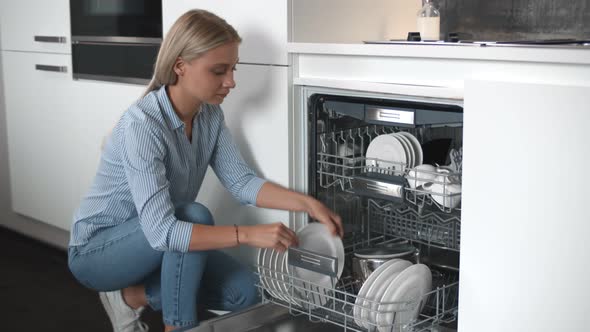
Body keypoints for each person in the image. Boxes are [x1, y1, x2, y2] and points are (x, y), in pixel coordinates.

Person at [67, 9, 343, 332]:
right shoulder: (143, 126)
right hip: (96, 254)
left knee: (245, 292)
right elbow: (162, 231)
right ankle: (178, 326)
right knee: (192, 216)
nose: (231, 81)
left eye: (233, 69)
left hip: (159, 243)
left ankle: (129, 297)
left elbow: (241, 182)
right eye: (219, 71)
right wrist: (248, 235)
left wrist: (309, 204)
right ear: (181, 66)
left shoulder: (209, 116)